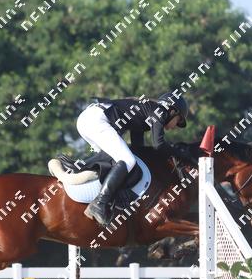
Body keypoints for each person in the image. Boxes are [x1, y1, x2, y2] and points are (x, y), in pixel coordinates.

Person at [76, 92, 194, 226]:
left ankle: (103, 197)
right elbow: (159, 144)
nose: (175, 127)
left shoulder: (146, 111)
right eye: (178, 121)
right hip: (97, 120)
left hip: (88, 119)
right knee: (128, 161)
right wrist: (180, 153)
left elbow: (138, 146)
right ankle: (99, 204)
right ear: (172, 111)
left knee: (113, 162)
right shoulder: (160, 111)